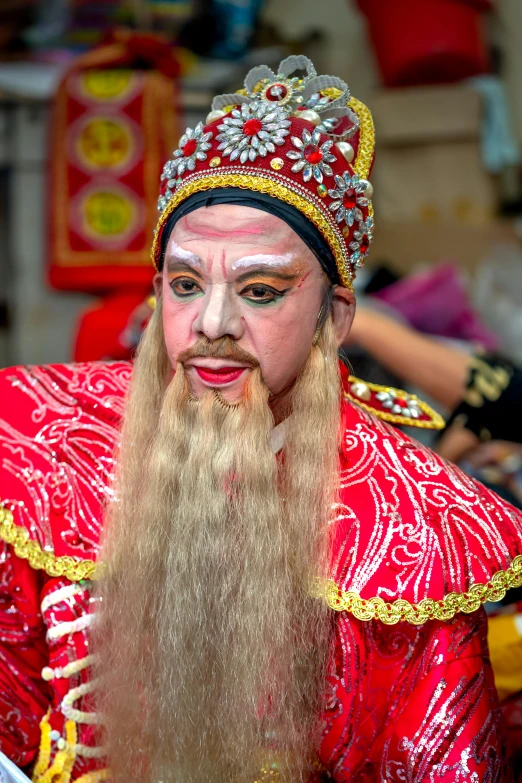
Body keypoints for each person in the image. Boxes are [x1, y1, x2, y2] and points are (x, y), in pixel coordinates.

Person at [1, 55, 522, 783]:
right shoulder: (39, 452)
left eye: (261, 289)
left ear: (334, 318)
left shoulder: (413, 538)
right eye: (186, 284)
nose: (212, 322)